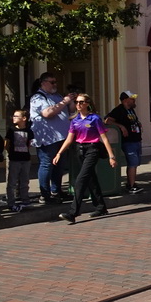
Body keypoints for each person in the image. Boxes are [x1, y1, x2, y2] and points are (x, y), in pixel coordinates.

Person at [53, 93, 117, 224]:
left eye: (81, 102)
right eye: (77, 102)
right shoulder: (75, 120)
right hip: (79, 150)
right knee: (90, 178)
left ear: (87, 103)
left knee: (81, 179)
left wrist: (111, 156)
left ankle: (73, 212)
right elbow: (70, 139)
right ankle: (100, 206)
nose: (78, 104)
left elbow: (104, 138)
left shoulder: (94, 119)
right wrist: (59, 153)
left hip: (92, 149)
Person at [29, 72, 73, 205]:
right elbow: (48, 113)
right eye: (52, 82)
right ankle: (45, 194)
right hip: (47, 139)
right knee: (47, 165)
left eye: (56, 82)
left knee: (59, 166)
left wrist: (72, 100)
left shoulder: (57, 96)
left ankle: (56, 191)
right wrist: (64, 101)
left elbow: (69, 111)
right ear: (43, 83)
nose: (55, 84)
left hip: (62, 137)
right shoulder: (38, 97)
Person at [104, 90, 143, 193]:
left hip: (136, 139)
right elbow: (107, 120)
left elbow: (133, 121)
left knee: (135, 163)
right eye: (132, 98)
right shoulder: (119, 110)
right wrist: (120, 126)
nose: (134, 100)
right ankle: (131, 186)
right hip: (128, 141)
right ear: (125, 100)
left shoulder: (131, 110)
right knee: (132, 163)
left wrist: (138, 123)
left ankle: (130, 182)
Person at [5, 110, 33, 212]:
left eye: (16, 116)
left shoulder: (28, 131)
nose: (14, 118)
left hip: (25, 159)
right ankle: (11, 202)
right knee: (12, 182)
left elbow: (29, 144)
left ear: (24, 119)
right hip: (14, 159)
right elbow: (6, 144)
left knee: (25, 181)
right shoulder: (11, 130)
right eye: (13, 116)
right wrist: (10, 154)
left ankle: (25, 200)